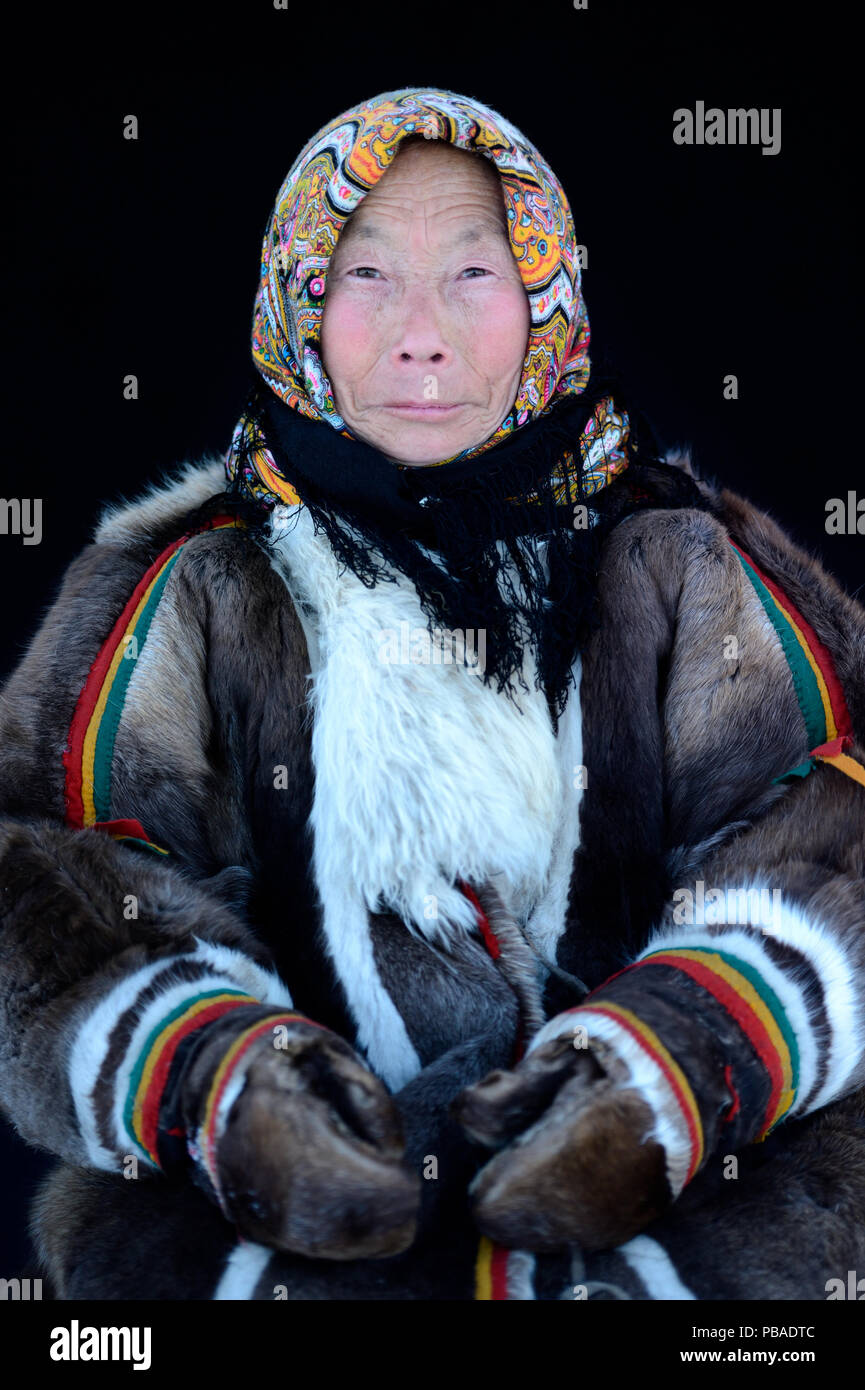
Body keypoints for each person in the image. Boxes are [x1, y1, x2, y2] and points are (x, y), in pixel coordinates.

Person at [2, 88, 864, 1301]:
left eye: (473, 272)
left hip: (684, 1259)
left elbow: (835, 816)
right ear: (298, 296)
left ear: (546, 299)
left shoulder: (681, 561)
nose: (420, 334)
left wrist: (671, 1057)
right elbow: (39, 867)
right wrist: (223, 1083)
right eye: (365, 275)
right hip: (269, 1265)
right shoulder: (187, 584)